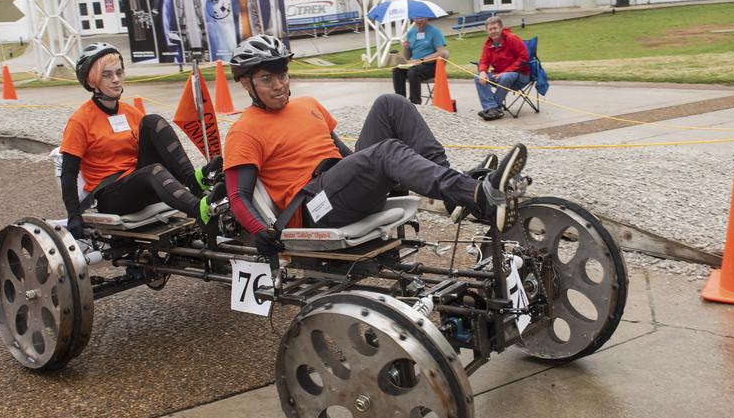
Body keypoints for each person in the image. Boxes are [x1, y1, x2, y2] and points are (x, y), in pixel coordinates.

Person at [222, 35, 526, 259]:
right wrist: (262, 232)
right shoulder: (244, 130)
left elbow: (340, 153)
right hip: (314, 208)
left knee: (390, 103)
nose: (279, 85)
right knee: (386, 152)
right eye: (267, 78)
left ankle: (453, 196)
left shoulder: (307, 104)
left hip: (337, 185)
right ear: (246, 84)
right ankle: (477, 194)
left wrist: (378, 171)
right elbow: (238, 195)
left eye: (282, 75)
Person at [60, 43, 221, 239]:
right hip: (111, 196)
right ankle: (200, 209)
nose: (116, 80)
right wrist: (74, 217)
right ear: (92, 81)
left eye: (119, 72)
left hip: (140, 183)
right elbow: (68, 174)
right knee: (154, 171)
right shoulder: (80, 120)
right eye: (107, 75)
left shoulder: (130, 113)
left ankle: (193, 180)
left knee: (153, 121)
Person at [474, 16, 530, 121]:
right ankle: (492, 108)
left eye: (495, 28)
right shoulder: (488, 44)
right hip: (499, 75)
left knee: (505, 77)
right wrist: (482, 72)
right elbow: (484, 60)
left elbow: (524, 58)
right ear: (487, 31)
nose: (493, 31)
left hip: (520, 75)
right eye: (490, 29)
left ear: (501, 28)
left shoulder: (512, 38)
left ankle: (492, 109)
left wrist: (505, 72)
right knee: (478, 77)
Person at [392, 16, 447, 104]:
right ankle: (400, 102)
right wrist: (406, 48)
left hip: (431, 66)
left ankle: (415, 103)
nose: (419, 20)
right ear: (413, 19)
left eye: (421, 18)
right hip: (414, 65)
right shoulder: (411, 32)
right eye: (416, 18)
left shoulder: (435, 32)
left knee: (413, 71)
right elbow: (407, 57)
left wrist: (421, 60)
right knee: (397, 70)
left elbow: (442, 53)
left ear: (427, 18)